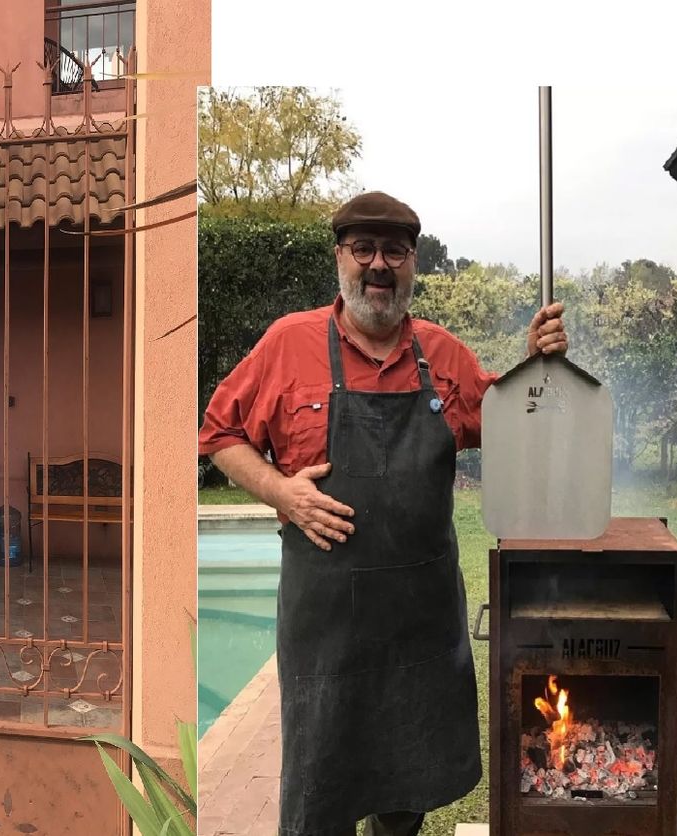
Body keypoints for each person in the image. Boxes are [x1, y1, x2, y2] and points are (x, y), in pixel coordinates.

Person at [197, 191, 568, 836]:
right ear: (341, 258)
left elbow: (512, 421)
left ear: (411, 263)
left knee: (405, 801)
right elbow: (219, 433)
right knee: (321, 799)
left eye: (394, 251)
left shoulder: (441, 355)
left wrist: (539, 367)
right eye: (363, 249)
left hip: (419, 629)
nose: (378, 265)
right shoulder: (290, 343)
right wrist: (282, 493)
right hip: (326, 633)